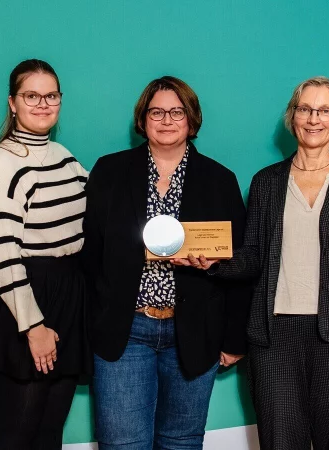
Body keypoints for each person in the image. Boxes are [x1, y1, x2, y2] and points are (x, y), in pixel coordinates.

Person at [179, 76, 329, 450]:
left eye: (324, 110)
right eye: (305, 109)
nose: (314, 118)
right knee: (280, 442)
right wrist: (213, 263)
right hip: (274, 338)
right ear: (292, 117)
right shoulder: (267, 182)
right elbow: (252, 257)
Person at [83, 76, 251, 449]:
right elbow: (90, 256)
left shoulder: (220, 180)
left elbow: (242, 264)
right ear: (142, 120)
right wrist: (96, 320)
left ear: (191, 119)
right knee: (122, 444)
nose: (167, 120)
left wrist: (233, 337)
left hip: (193, 331)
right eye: (156, 111)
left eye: (177, 111)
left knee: (182, 443)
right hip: (125, 332)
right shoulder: (109, 172)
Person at [0, 59, 90, 449]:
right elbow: (0, 247)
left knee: (49, 433)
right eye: (31, 96)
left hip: (68, 293)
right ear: (12, 102)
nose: (43, 104)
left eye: (51, 95)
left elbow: (94, 223)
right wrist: (32, 325)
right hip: (24, 296)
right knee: (16, 433)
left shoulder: (64, 155)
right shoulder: (2, 160)